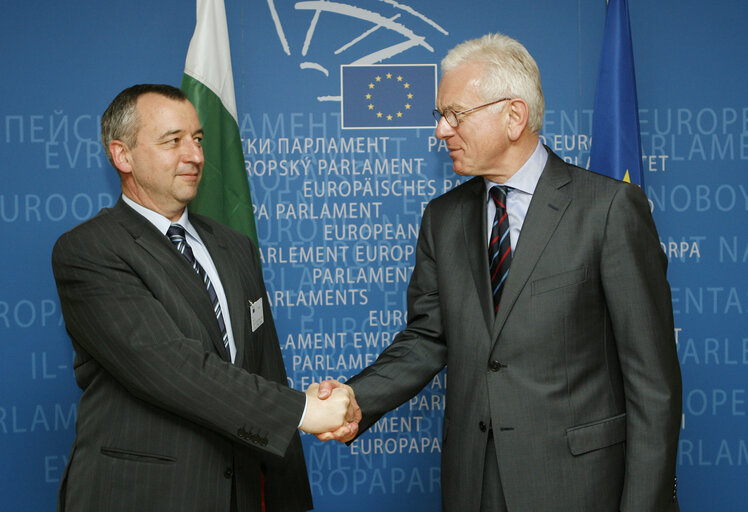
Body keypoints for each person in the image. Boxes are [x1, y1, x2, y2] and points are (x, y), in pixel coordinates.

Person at [318, 33, 682, 511]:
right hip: (474, 484)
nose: (441, 131)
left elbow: (653, 385)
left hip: (580, 487)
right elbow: (428, 338)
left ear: (514, 115)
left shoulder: (609, 210)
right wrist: (355, 398)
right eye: (439, 116)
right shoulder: (442, 219)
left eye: (455, 114)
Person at [51, 84, 355, 512]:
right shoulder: (89, 250)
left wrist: (287, 496)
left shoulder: (234, 246)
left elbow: (264, 366)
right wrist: (301, 411)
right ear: (123, 155)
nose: (194, 156)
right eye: (173, 141)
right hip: (141, 496)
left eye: (197, 139)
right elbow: (171, 367)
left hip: (241, 493)